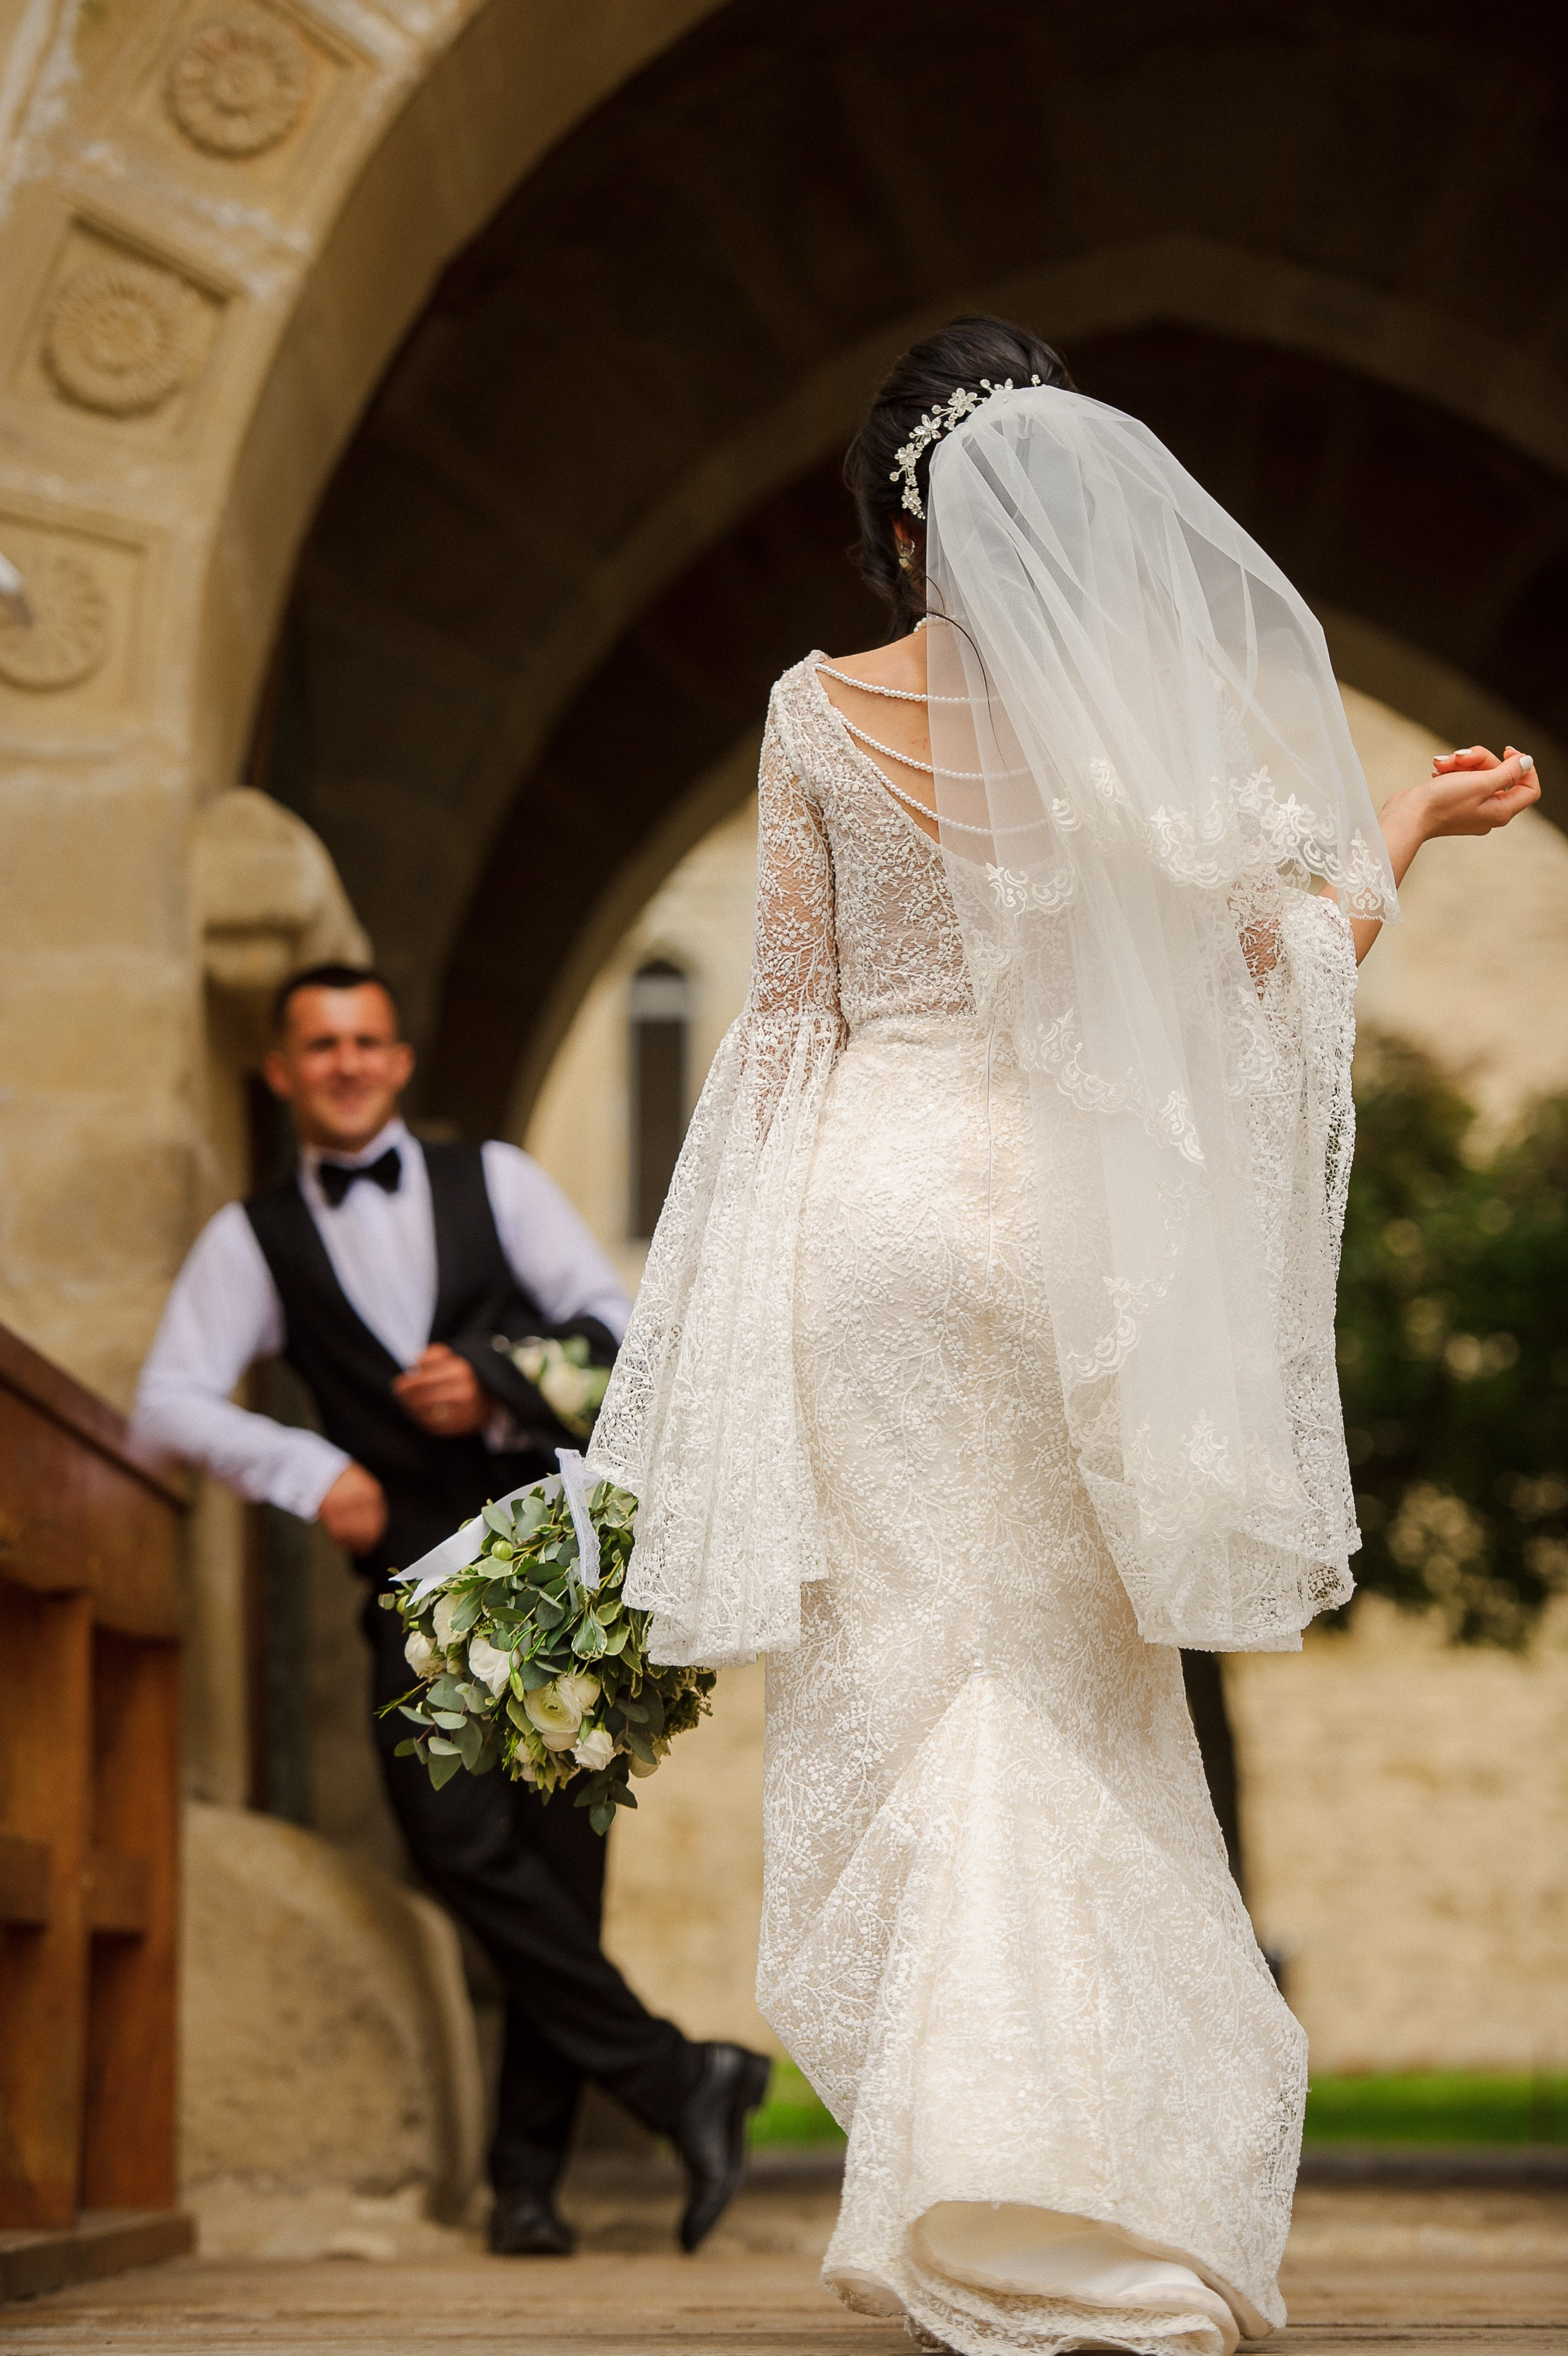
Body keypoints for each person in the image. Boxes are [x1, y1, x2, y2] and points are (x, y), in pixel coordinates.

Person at [585, 318, 1541, 2355]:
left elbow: (787, 1020)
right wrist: (1400, 828)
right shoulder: (1129, 739)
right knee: (1065, 1687)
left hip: (867, 1222)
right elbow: (1274, 962)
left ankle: (973, 2188)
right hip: (1061, 1238)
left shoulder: (808, 712)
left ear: (894, 524)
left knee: (912, 1678)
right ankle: (1071, 2193)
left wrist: (710, 1324)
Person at [134, 964, 769, 2257]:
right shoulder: (254, 1237)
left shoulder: (499, 1181)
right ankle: (677, 2076)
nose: (347, 1062)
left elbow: (622, 1332)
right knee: (452, 1839)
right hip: (414, 1586)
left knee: (561, 1865)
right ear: (283, 1071)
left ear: (400, 1060)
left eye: (366, 1040)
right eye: (322, 1044)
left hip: (552, 1567)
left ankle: (527, 2188)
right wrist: (310, 1471)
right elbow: (167, 1401)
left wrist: (491, 1380)